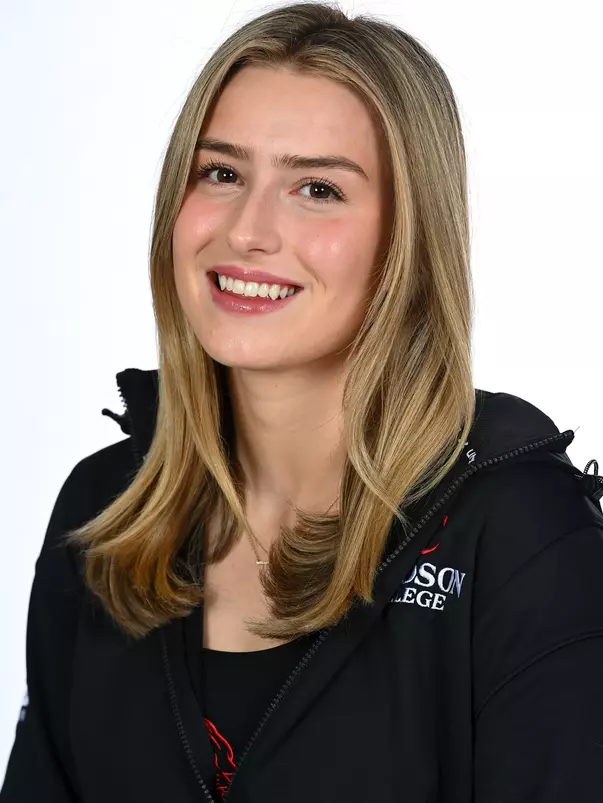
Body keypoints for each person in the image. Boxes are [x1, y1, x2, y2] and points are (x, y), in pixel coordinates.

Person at [2, 2, 603, 801]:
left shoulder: (521, 537)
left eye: (316, 187)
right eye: (221, 173)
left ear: (407, 239)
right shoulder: (105, 513)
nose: (248, 231)